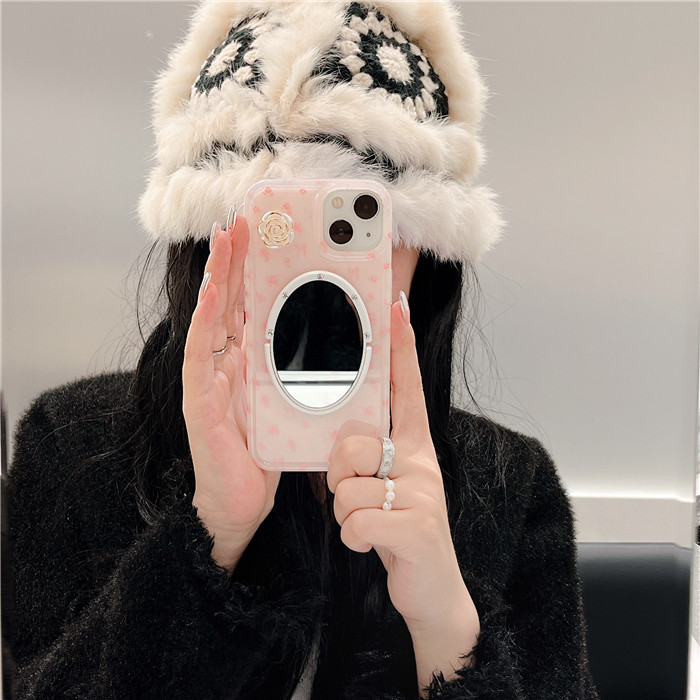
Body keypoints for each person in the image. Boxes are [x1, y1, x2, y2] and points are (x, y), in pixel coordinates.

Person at [6, 1, 600, 698]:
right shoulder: (73, 447)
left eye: (356, 228)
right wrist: (207, 538)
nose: (316, 275)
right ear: (206, 244)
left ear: (428, 255)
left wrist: (446, 628)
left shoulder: (511, 487)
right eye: (278, 225)